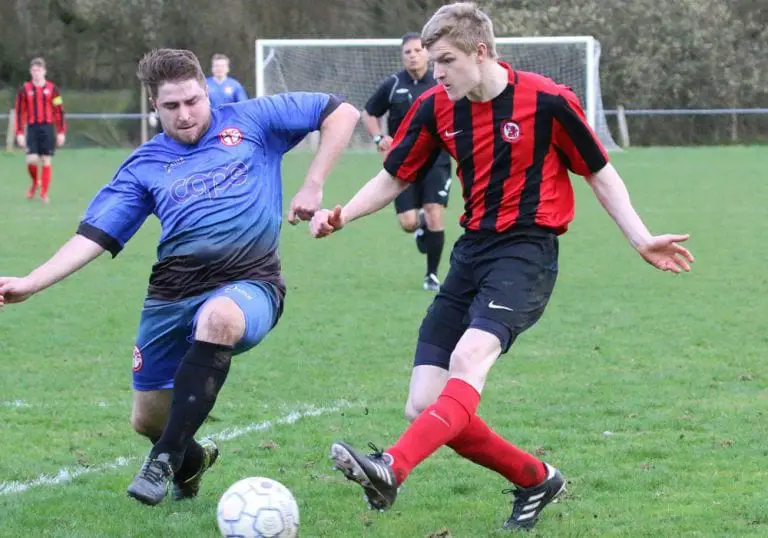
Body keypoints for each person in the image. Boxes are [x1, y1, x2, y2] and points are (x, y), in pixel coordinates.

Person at [309, 2, 694, 532]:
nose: (435, 71)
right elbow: (395, 177)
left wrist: (641, 238)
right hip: (473, 251)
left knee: (470, 357)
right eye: (432, 61)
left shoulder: (549, 101)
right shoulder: (436, 107)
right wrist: (341, 214)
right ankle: (537, 478)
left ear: (481, 52)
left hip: (528, 251)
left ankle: (391, 467)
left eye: (445, 60)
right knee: (424, 403)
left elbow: (600, 173)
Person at [0, 48, 359, 506]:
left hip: (252, 281)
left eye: (193, 101)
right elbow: (94, 235)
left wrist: (313, 182)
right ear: (154, 107)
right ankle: (190, 461)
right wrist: (33, 281)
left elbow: (340, 111)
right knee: (148, 421)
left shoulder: (254, 120)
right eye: (171, 106)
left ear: (206, 92)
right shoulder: (144, 165)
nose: (185, 114)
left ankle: (164, 457)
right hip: (171, 295)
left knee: (220, 320)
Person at [362, 32, 451, 291]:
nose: (412, 56)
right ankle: (419, 225)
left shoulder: (441, 82)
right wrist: (379, 137)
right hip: (404, 162)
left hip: (437, 160)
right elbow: (368, 113)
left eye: (417, 50)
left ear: (427, 53)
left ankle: (432, 275)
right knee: (408, 223)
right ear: (402, 57)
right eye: (407, 52)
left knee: (435, 213)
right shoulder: (392, 85)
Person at [14, 57, 66, 203]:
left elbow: (59, 111)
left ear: (44, 71)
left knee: (46, 160)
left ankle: (43, 193)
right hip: (32, 128)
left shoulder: (52, 89)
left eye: (39, 70)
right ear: (31, 72)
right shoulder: (25, 89)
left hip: (47, 128)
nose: (36, 73)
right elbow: (19, 112)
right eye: (34, 70)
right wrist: (19, 132)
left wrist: (61, 131)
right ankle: (35, 183)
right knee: (31, 160)